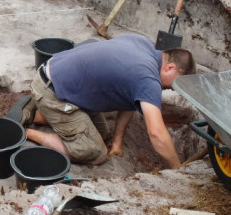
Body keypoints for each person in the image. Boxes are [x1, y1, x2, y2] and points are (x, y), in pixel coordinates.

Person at [24, 35, 195, 168]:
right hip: (53, 91)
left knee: (103, 134)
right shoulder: (148, 79)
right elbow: (157, 133)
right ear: (170, 67)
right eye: (176, 84)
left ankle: (39, 115)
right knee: (95, 153)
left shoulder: (143, 44)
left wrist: (117, 142)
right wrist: (177, 168)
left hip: (59, 76)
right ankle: (28, 133)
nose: (172, 90)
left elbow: (130, 100)